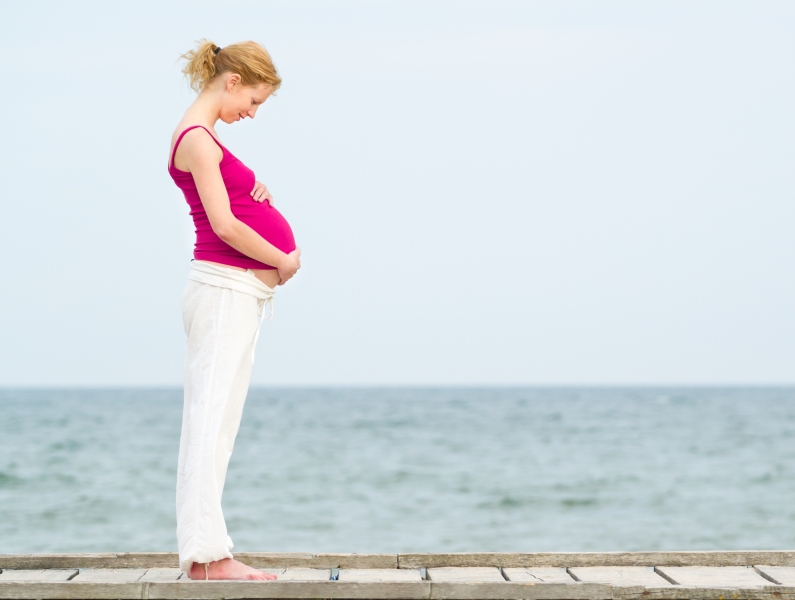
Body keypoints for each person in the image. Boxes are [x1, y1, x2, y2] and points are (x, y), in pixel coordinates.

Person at [168, 39, 301, 581]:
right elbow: (223, 226)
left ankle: (209, 553)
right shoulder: (198, 139)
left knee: (219, 422)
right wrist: (282, 260)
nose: (251, 112)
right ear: (233, 81)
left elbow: (228, 202)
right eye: (254, 101)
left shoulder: (208, 139)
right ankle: (205, 558)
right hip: (224, 290)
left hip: (235, 292)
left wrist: (252, 186)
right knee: (208, 422)